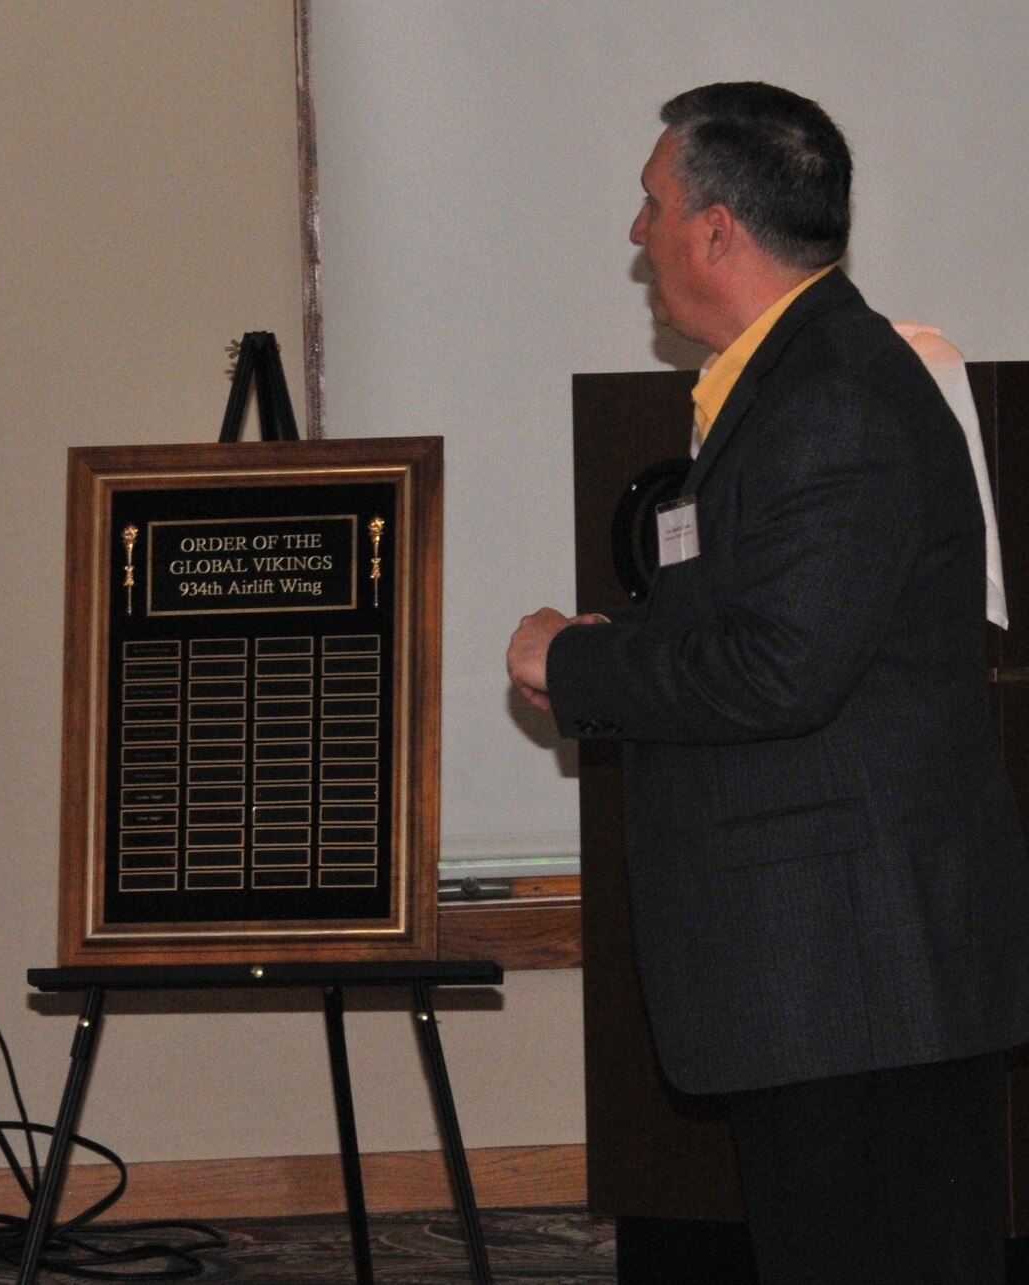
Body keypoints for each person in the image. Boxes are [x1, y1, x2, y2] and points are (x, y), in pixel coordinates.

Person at [507, 82, 1029, 1283]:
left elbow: (778, 670)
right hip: (839, 969)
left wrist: (571, 659)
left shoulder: (829, 395)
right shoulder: (788, 380)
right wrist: (631, 645)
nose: (634, 235)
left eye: (649, 205)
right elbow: (782, 630)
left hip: (855, 969)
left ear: (716, 229)